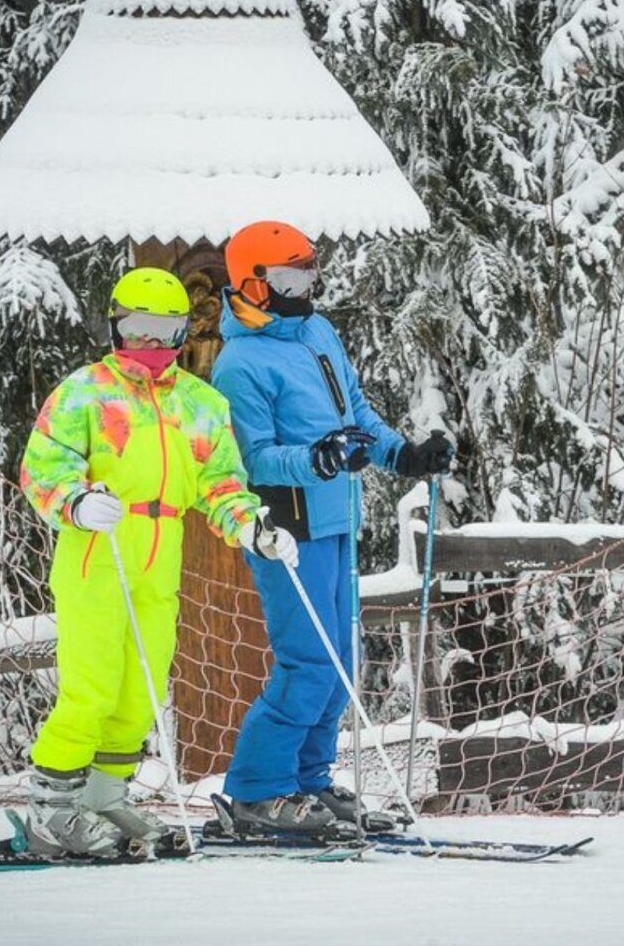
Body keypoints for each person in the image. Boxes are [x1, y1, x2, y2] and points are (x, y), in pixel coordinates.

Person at [18, 266, 299, 857]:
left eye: (165, 329)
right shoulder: (86, 391)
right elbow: (43, 466)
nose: (152, 343)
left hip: (159, 552)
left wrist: (252, 526)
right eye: (139, 327)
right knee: (90, 689)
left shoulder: (200, 404)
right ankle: (52, 809)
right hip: (99, 549)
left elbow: (220, 482)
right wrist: (75, 499)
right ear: (116, 325)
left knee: (141, 690)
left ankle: (102, 797)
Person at [211, 220, 454, 836]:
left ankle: (309, 780)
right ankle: (257, 792)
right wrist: (317, 457)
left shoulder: (317, 330)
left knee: (343, 658)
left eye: (309, 272)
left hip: (337, 515)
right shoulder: (239, 363)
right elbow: (254, 456)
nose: (306, 286)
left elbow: (354, 412)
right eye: (291, 276)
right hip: (286, 525)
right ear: (253, 282)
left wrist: (400, 453)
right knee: (309, 662)